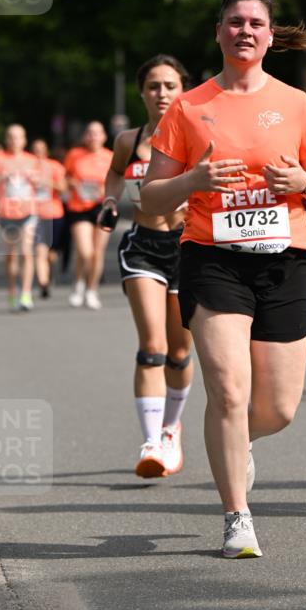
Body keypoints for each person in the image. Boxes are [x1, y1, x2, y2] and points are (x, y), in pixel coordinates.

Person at [142, 0, 306, 557]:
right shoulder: (189, 107)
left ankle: (237, 444)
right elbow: (152, 199)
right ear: (219, 31)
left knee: (276, 408)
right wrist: (192, 182)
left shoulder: (297, 104)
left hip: (285, 260)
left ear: (270, 34)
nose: (245, 30)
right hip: (212, 257)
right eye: (234, 22)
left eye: (255, 22)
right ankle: (237, 517)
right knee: (228, 390)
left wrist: (302, 183)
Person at [98, 56, 194, 478]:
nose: (161, 94)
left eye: (170, 86)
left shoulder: (198, 136)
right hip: (142, 247)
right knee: (151, 347)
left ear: (182, 90)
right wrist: (107, 202)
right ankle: (150, 441)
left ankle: (172, 428)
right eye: (153, 86)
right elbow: (115, 174)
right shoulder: (128, 139)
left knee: (178, 351)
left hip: (189, 247)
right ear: (142, 92)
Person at [0, 124, 39, 311]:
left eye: (18, 137)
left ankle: (26, 294)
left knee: (26, 251)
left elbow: (42, 183)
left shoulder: (32, 160)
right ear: (6, 139)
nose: (14, 140)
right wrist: (3, 176)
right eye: (11, 136)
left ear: (24, 140)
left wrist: (34, 178)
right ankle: (11, 290)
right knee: (12, 256)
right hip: (6, 212)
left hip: (28, 211)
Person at [64, 122, 113, 309]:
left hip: (103, 207)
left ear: (104, 136)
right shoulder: (75, 155)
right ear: (85, 136)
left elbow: (118, 180)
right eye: (90, 133)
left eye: (97, 133)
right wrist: (74, 183)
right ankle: (79, 283)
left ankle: (92, 290)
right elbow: (65, 177)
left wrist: (105, 189)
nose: (93, 137)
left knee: (97, 252)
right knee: (85, 251)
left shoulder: (111, 156)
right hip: (80, 207)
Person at [31, 139, 67, 298]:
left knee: (51, 254)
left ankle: (49, 274)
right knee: (40, 250)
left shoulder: (55, 166)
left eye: (41, 149)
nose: (38, 153)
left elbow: (63, 188)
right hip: (35, 214)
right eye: (35, 149)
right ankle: (43, 283)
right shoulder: (27, 168)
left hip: (54, 213)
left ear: (46, 151)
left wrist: (47, 182)